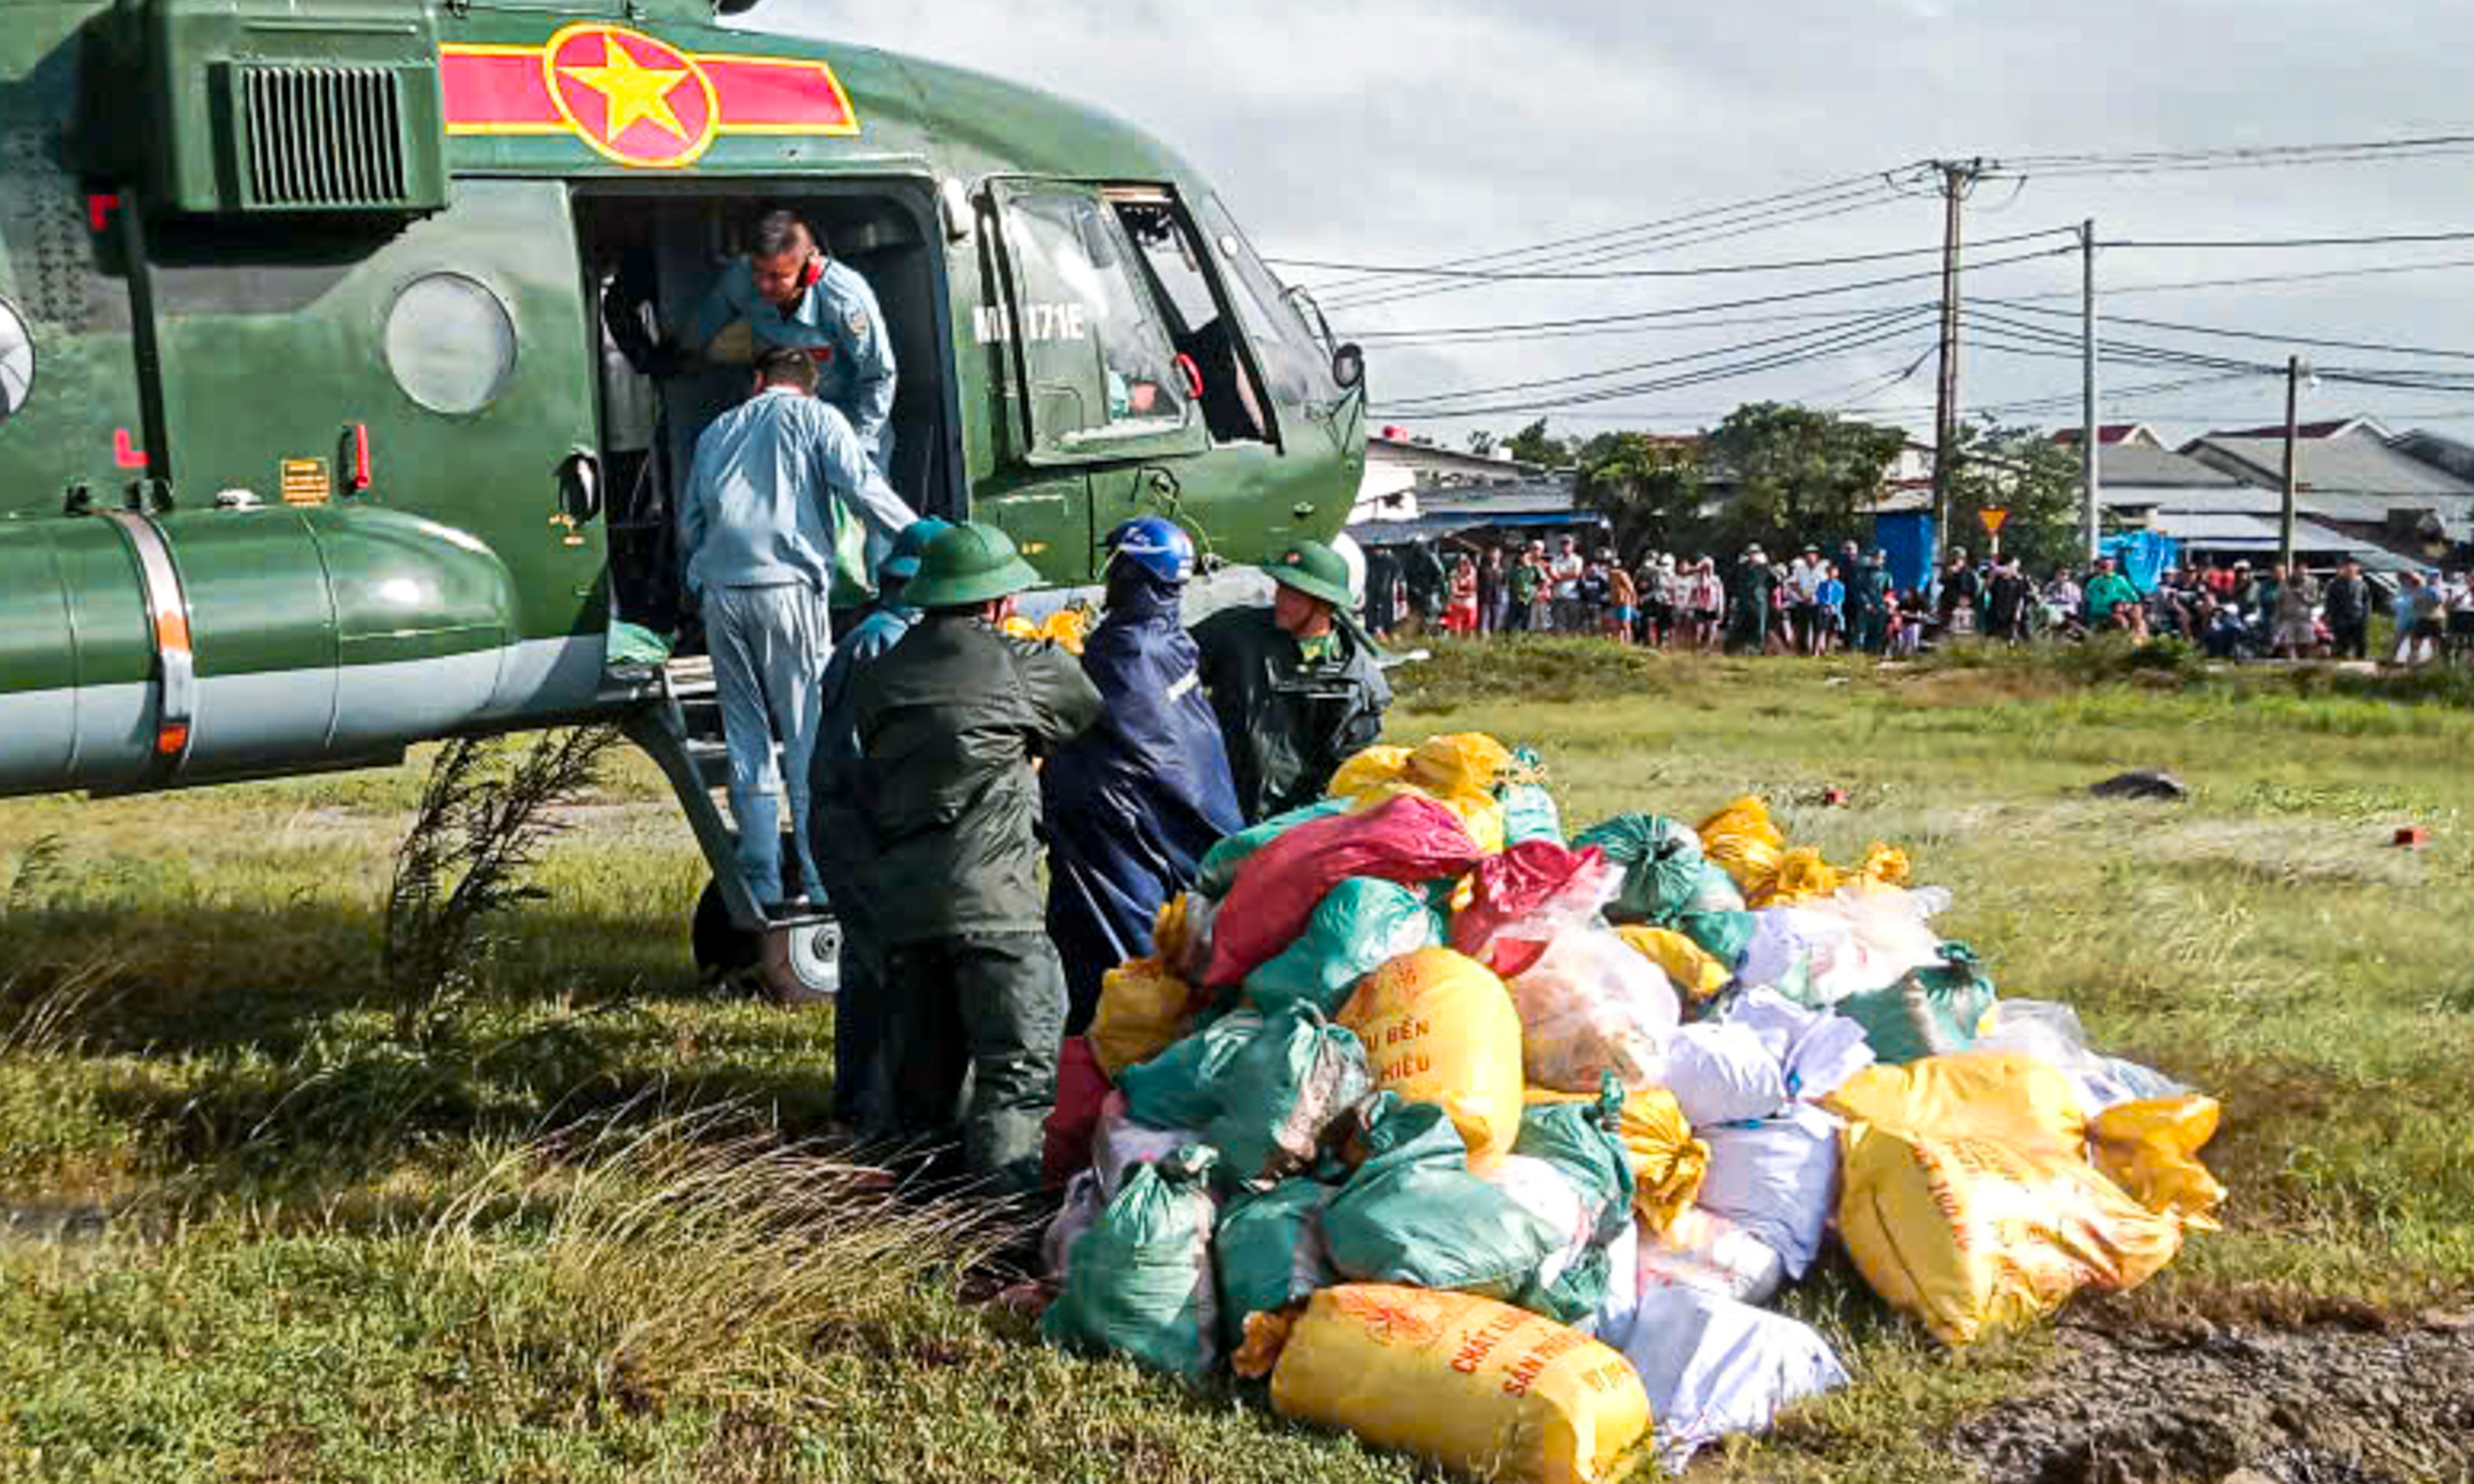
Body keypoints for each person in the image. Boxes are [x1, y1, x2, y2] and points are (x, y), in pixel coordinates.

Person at [849, 523, 1103, 1194]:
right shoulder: (1017, 665)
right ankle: (995, 1224)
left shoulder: (879, 675)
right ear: (998, 601)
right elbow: (1082, 701)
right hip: (997, 908)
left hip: (907, 913)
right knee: (1015, 1074)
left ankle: (921, 1221)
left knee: (922, 1090)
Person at [678, 347, 919, 915]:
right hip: (787, 587)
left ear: (758, 381)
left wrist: (704, 575)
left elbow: (691, 524)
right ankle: (819, 878)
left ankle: (761, 881)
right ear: (809, 387)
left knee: (745, 737)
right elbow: (862, 487)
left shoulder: (717, 430)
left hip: (721, 592)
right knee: (807, 734)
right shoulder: (818, 419)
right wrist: (924, 538)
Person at [1041, 519, 1245, 1034]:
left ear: (1133, 573)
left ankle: (1117, 1051)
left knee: (1119, 966)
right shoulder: (1173, 641)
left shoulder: (1125, 650)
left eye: (1115, 565)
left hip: (1121, 833)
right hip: (1167, 820)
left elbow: (1078, 720)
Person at [810, 516, 950, 1126]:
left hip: (854, 823)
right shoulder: (883, 644)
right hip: (859, 829)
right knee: (884, 968)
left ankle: (861, 1104)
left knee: (871, 969)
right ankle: (871, 1114)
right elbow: (860, 759)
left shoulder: (885, 635)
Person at [1194, 540, 1393, 825]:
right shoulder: (1237, 633)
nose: (1279, 599)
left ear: (1323, 603)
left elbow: (1348, 779)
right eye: (1280, 588)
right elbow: (1172, 665)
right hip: (1219, 811)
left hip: (1294, 829)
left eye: (1292, 594)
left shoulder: (1358, 683)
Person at [686, 210, 898, 476]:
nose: (763, 285)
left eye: (776, 277)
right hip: (782, 422)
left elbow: (878, 376)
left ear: (810, 271)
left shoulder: (845, 300)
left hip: (848, 419)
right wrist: (685, 352)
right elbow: (708, 319)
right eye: (757, 271)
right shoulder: (741, 278)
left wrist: (855, 445)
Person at [2083, 556, 2145, 638]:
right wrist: (2112, 608)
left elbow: (2134, 598)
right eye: (2102, 566)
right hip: (2102, 614)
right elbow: (2094, 603)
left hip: (2120, 609)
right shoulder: (2094, 583)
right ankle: (2125, 639)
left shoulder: (2120, 580)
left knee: (2136, 610)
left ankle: (2138, 636)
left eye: (2107, 566)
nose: (2105, 568)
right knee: (2119, 620)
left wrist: (2124, 604)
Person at [2323, 559, 2372, 660]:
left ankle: (2361, 661)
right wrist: (2330, 616)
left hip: (2357, 617)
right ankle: (2341, 659)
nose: (2350, 569)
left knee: (2361, 642)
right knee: (2342, 642)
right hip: (2341, 617)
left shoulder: (2362, 584)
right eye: (2347, 567)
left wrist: (2366, 616)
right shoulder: (2335, 584)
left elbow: (2367, 602)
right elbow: (2330, 601)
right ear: (2344, 568)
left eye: (2353, 567)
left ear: (2357, 569)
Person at [1728, 545, 1773, 653]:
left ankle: (1757, 650)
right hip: (1743, 601)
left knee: (1759, 628)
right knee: (1739, 626)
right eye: (1751, 553)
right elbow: (1730, 582)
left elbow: (1773, 582)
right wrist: (1736, 595)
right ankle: (1738, 650)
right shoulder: (1740, 567)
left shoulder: (1765, 568)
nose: (1753, 555)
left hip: (1759, 602)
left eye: (1755, 553)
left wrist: (1762, 592)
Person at [2270, 562, 2319, 660]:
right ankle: (2292, 661)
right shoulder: (2284, 583)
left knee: (2306, 644)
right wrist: (2277, 619)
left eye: (2305, 573)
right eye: (2300, 572)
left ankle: (2304, 663)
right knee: (2289, 643)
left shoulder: (2312, 582)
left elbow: (2315, 601)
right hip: (2288, 618)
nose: (2303, 575)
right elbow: (2279, 602)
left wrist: (2303, 597)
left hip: (2305, 618)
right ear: (2294, 571)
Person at [1986, 557, 2031, 645]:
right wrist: (1993, 573)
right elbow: (1988, 587)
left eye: (2016, 568)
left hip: (2012, 614)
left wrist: (2018, 612)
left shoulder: (2020, 581)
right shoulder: (1998, 580)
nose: (2014, 570)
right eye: (2013, 567)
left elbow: (2021, 598)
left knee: (2014, 638)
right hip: (1996, 613)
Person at [1548, 536, 1585, 632]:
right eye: (1563, 544)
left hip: (1573, 596)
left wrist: (1561, 575)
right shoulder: (1555, 559)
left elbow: (1577, 574)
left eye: (1568, 544)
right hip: (1558, 596)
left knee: (1573, 624)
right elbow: (1553, 575)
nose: (1565, 547)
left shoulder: (1577, 559)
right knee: (1559, 624)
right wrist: (1569, 574)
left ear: (1573, 546)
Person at [1509, 542, 1545, 633]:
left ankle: (1525, 638)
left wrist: (1538, 592)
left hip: (1529, 598)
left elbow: (1543, 580)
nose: (1522, 556)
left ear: (1529, 554)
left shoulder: (1535, 567)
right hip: (1516, 597)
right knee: (1513, 622)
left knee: (1528, 622)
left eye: (1524, 554)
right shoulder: (1514, 568)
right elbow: (1509, 582)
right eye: (1520, 554)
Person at [1814, 562, 1846, 655]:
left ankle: (1830, 649)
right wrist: (1826, 604)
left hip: (1835, 610)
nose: (1832, 574)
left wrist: (1834, 605)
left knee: (1833, 630)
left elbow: (1840, 598)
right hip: (1824, 609)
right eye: (1830, 572)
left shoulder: (1840, 585)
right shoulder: (1822, 584)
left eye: (1834, 572)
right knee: (1821, 629)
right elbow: (1819, 595)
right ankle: (1819, 649)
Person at [1446, 555, 1481, 635]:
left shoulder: (1473, 572)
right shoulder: (1454, 574)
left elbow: (1474, 588)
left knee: (1470, 629)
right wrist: (1467, 593)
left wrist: (1467, 592)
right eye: (1462, 563)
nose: (1465, 566)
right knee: (1455, 629)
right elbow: (1454, 591)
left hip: (1471, 606)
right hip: (1457, 605)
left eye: (1466, 563)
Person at [1606, 560, 1638, 644]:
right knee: (1616, 624)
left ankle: (1628, 641)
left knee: (1625, 624)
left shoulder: (1622, 574)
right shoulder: (1610, 576)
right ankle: (1620, 642)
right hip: (1615, 602)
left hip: (1625, 603)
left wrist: (1634, 600)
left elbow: (1631, 589)